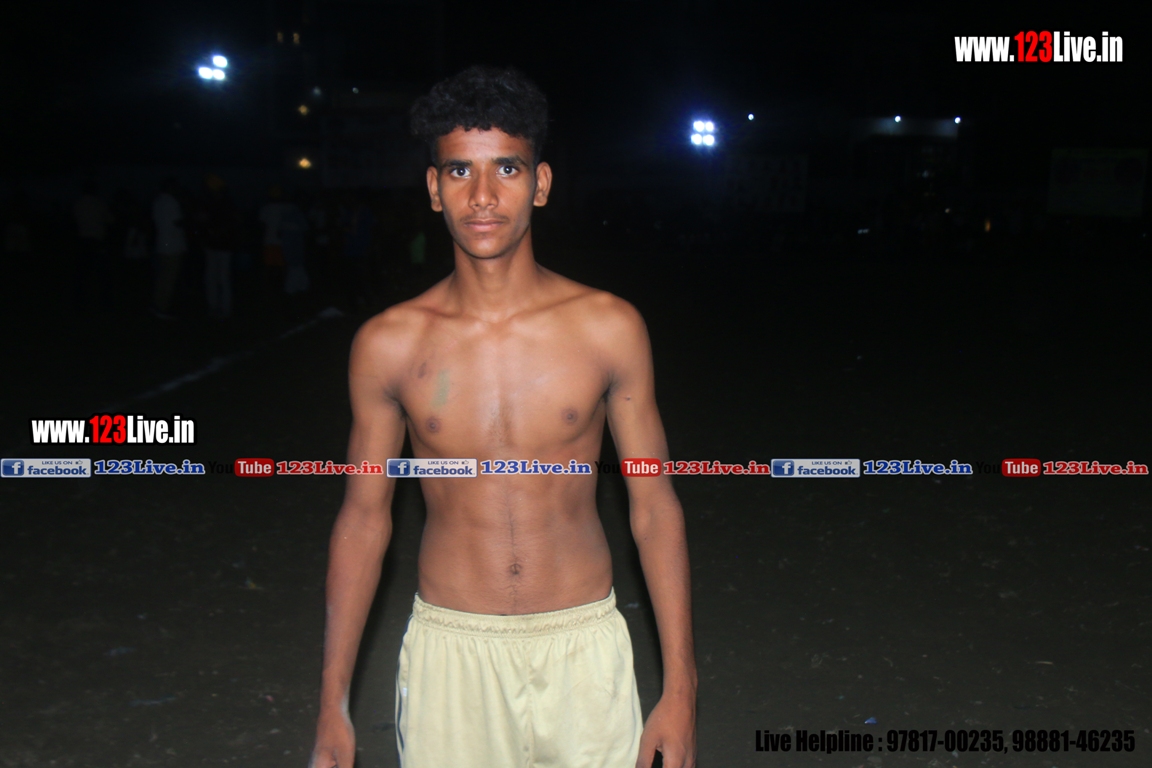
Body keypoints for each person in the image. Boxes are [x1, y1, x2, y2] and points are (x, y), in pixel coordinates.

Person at [309, 66, 696, 768]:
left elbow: (654, 506)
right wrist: (332, 702)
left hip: (582, 648)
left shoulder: (609, 328)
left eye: (506, 169)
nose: (482, 196)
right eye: (459, 170)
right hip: (451, 653)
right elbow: (363, 519)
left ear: (540, 183)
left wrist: (682, 689)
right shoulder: (389, 345)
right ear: (434, 189)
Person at [72, 178, 114, 309]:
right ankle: (104, 300)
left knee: (82, 272)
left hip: (83, 241)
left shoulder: (77, 203)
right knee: (102, 272)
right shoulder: (99, 203)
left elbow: (74, 220)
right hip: (97, 241)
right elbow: (110, 220)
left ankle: (79, 299)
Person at [151, 177, 187, 318]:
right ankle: (162, 307)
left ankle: (157, 303)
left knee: (162, 277)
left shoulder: (157, 201)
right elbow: (177, 222)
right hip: (172, 245)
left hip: (162, 243)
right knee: (169, 278)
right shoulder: (172, 202)